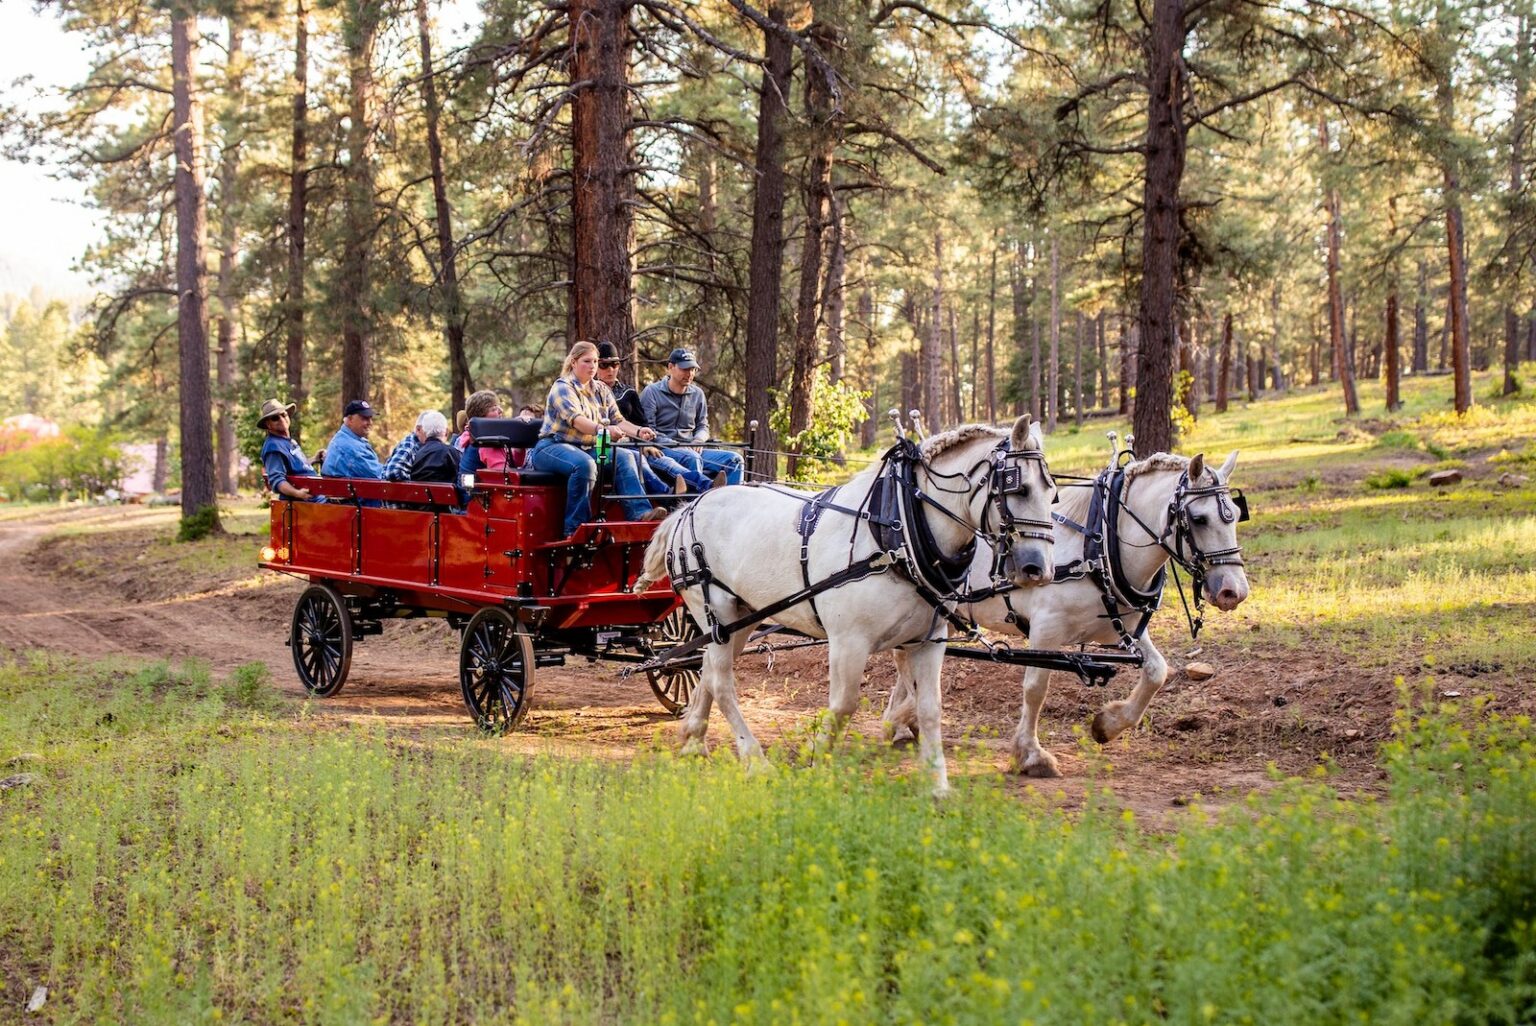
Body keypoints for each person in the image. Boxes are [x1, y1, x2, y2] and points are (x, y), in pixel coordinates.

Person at [531, 340, 666, 536]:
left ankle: (640, 514)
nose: (592, 366)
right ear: (573, 362)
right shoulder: (563, 387)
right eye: (587, 361)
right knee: (584, 465)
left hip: (587, 448)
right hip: (553, 446)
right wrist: (604, 430)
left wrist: (639, 431)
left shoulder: (601, 389)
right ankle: (576, 529)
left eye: (595, 361)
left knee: (626, 457)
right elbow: (577, 421)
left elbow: (618, 420)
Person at [594, 341, 713, 494]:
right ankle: (683, 494)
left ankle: (711, 489)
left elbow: (641, 424)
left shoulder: (628, 392)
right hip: (606, 447)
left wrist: (645, 443)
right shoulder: (589, 393)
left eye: (615, 364)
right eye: (604, 365)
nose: (610, 370)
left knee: (665, 461)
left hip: (635, 445)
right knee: (642, 460)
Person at [640, 348, 744, 487]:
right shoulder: (652, 392)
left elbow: (703, 425)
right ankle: (698, 499)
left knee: (735, 460)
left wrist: (698, 440)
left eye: (693, 369)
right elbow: (648, 430)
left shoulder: (697, 394)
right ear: (670, 367)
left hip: (692, 448)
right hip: (664, 449)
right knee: (692, 457)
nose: (690, 374)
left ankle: (729, 499)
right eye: (684, 369)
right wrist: (678, 446)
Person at [256, 398, 319, 501]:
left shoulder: (287, 441)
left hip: (317, 497)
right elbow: (277, 480)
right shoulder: (273, 447)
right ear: (268, 424)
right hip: (305, 503)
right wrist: (297, 493)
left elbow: (298, 467)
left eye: (283, 415)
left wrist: (315, 459)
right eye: (275, 418)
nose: (281, 419)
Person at [322, 400, 385, 480]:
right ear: (350, 419)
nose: (370, 423)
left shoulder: (344, 438)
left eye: (370, 418)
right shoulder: (350, 447)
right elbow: (380, 476)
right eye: (365, 418)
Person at [407, 410, 459, 483]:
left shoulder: (416, 454)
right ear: (446, 432)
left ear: (424, 431)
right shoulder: (451, 452)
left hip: (419, 490)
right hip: (443, 490)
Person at [383, 412, 432, 482]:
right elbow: (392, 472)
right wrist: (417, 479)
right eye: (430, 431)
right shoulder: (410, 445)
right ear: (418, 430)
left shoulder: (422, 445)